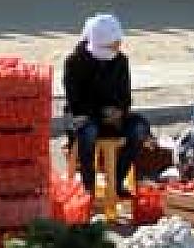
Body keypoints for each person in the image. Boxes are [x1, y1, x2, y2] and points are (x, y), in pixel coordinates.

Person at [64, 13, 153, 196]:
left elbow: (126, 97)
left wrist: (119, 111)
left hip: (114, 119)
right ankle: (88, 188)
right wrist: (100, 112)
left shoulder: (121, 61)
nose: (117, 47)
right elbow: (75, 103)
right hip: (84, 118)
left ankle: (117, 181)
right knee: (88, 133)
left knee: (139, 128)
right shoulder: (74, 63)